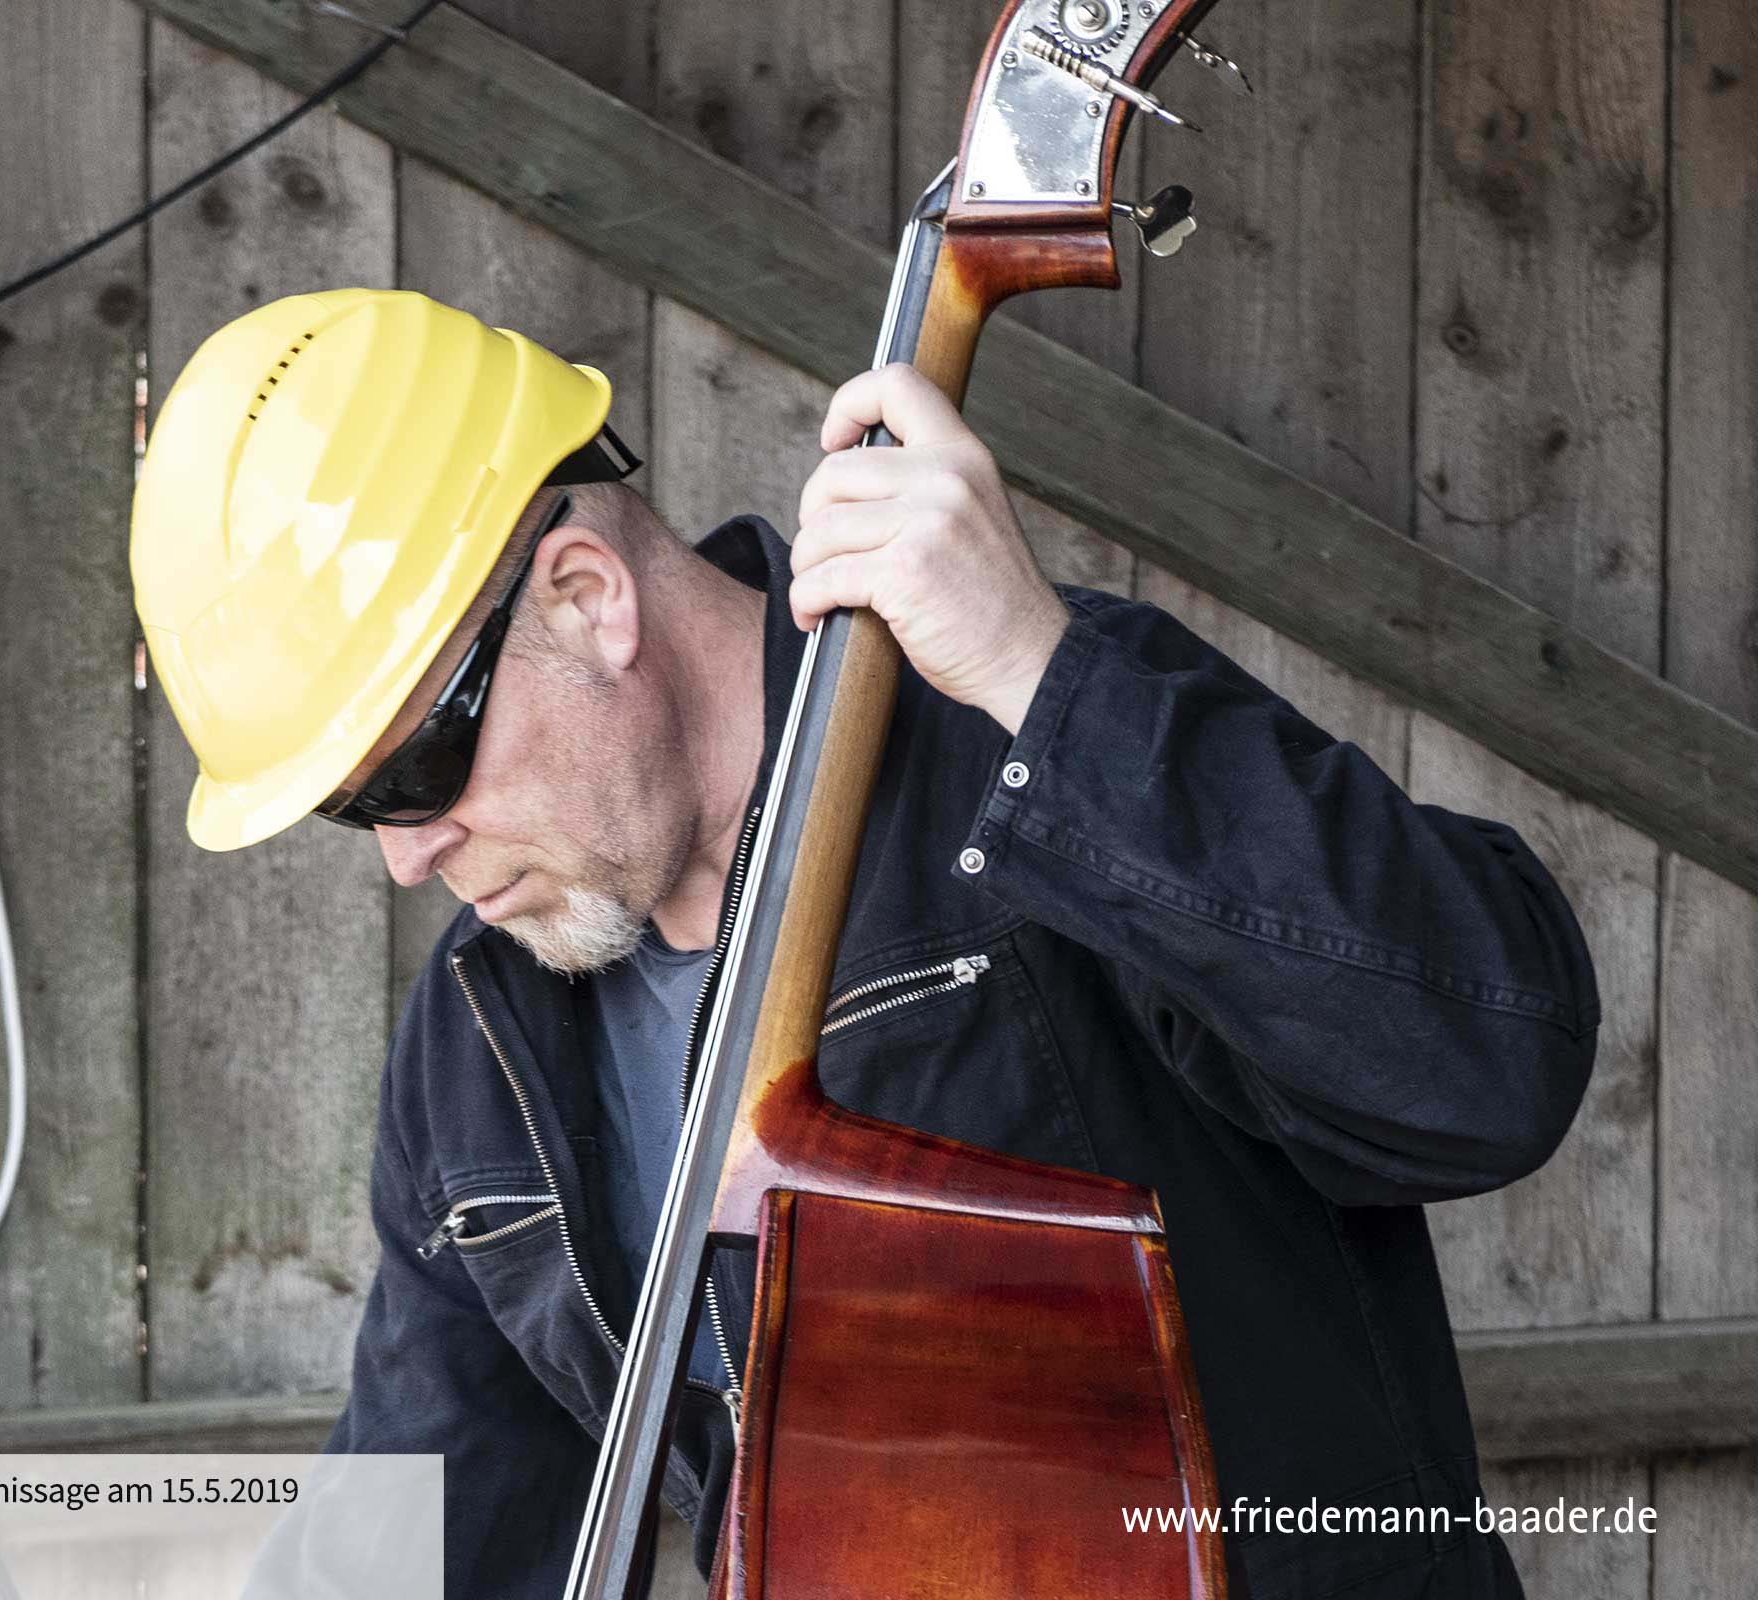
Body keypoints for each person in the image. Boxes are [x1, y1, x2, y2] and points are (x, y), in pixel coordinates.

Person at [130, 288, 1600, 1599]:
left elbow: (1487, 1063)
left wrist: (1041, 671)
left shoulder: (1025, 738)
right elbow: (434, 1518)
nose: (404, 859)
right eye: (350, 815)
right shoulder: (479, 1040)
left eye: (412, 776)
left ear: (585, 600)